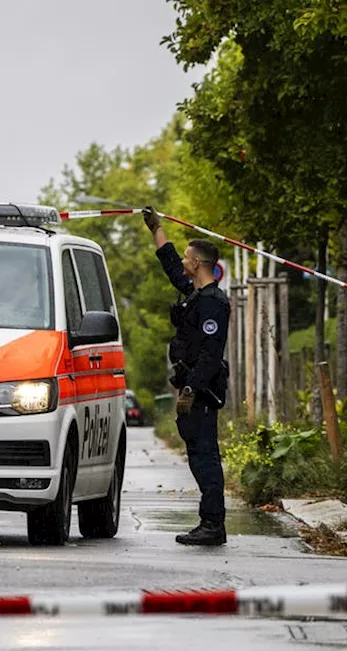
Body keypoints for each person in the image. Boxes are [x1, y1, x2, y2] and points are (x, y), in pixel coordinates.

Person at [144, 207, 231, 546]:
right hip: (191, 388)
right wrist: (157, 229)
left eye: (186, 257)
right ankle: (209, 521)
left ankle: (213, 524)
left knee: (205, 456)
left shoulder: (214, 303)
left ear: (197, 263)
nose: (182, 261)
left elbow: (211, 353)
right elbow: (169, 266)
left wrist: (192, 388)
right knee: (197, 454)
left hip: (202, 393)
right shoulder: (196, 294)